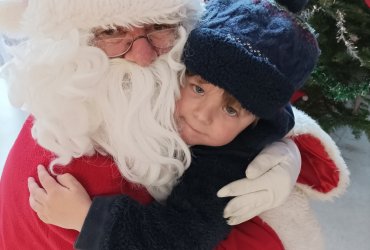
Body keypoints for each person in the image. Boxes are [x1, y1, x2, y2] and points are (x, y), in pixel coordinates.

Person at [0, 0, 349, 249]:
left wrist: (285, 149)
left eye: (159, 26)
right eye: (112, 31)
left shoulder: (190, 91)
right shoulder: (79, 164)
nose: (143, 55)